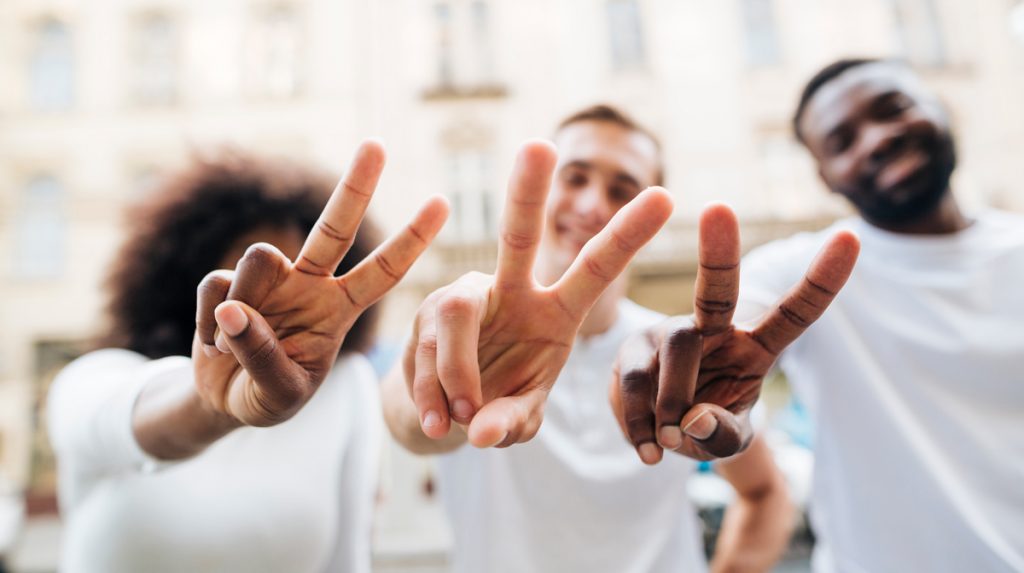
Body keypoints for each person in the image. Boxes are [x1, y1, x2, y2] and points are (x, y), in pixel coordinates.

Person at [611, 59, 1024, 572]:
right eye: (842, 141)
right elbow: (745, 318)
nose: (875, 140)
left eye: (892, 109)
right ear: (824, 176)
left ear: (940, 107)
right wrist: (681, 357)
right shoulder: (804, 271)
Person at [381, 106, 803, 572]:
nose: (591, 206)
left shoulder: (678, 351)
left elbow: (764, 491)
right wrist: (449, 396)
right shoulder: (470, 329)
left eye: (622, 190)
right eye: (575, 177)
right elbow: (407, 424)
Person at [47, 142, 448, 572]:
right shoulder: (96, 377)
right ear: (192, 280)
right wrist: (209, 405)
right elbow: (133, 422)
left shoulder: (344, 385)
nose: (279, 299)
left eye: (300, 276)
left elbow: (346, 558)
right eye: (252, 274)